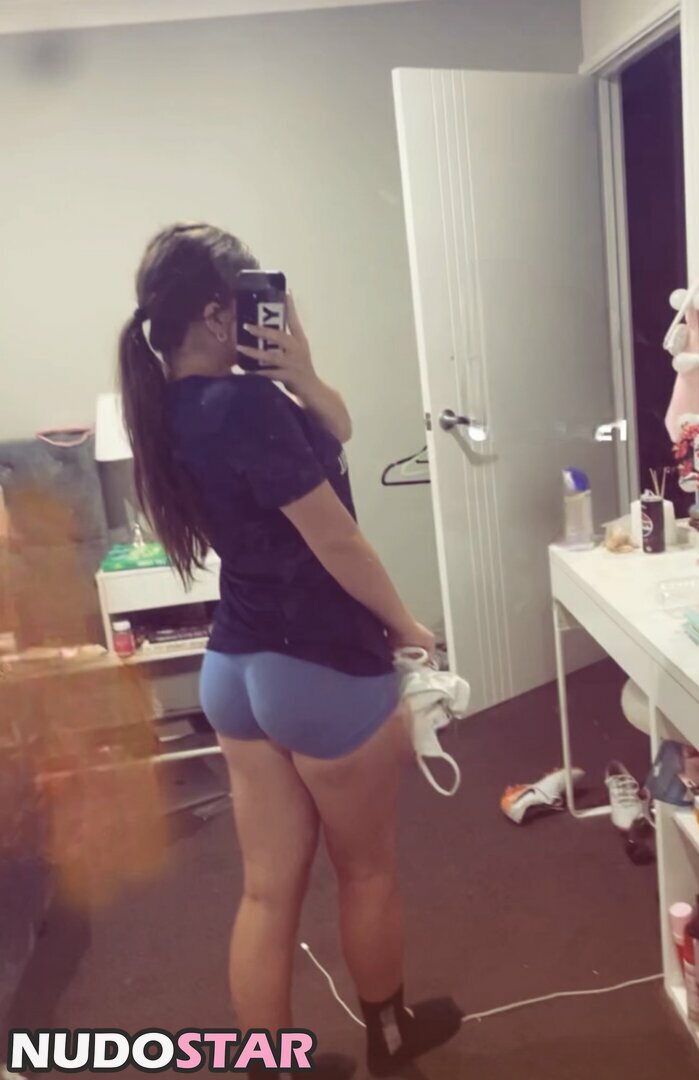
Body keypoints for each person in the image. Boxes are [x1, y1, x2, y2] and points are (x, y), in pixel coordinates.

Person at [118, 224, 461, 1077]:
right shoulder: (246, 407)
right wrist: (408, 626)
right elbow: (336, 540)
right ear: (215, 313)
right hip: (318, 665)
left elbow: (336, 427)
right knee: (366, 871)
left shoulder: (174, 407)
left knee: (266, 890)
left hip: (235, 668)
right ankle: (389, 1038)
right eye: (248, 301)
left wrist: (298, 369)